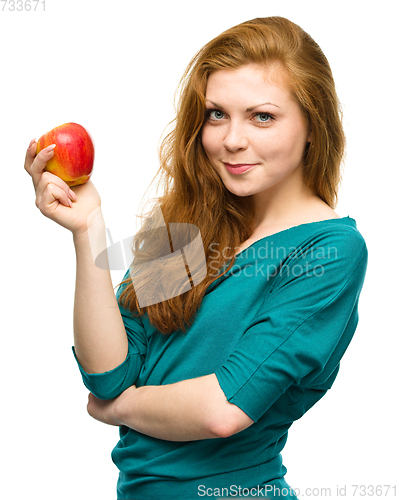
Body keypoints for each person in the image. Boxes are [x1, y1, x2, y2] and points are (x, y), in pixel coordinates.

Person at [25, 16, 368, 500]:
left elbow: (223, 408)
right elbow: (108, 375)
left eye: (262, 116)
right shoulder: (188, 225)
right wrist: (88, 229)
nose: (231, 140)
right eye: (216, 114)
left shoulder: (329, 250)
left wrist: (122, 409)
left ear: (314, 125)